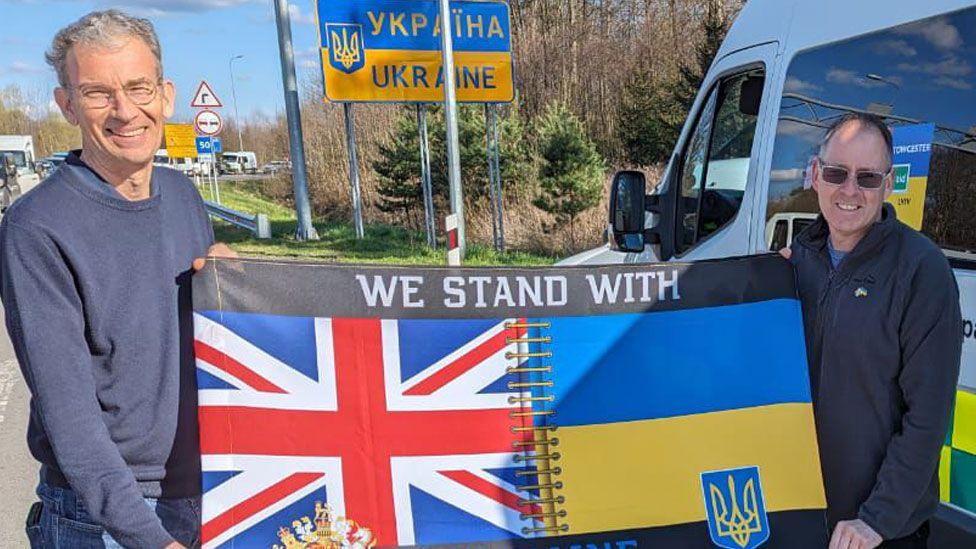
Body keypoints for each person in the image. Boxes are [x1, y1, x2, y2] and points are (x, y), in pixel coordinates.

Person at [0, 10, 231, 548]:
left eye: (137, 87)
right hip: (105, 517)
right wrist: (151, 539)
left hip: (210, 489)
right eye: (99, 93)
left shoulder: (182, 195)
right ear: (68, 106)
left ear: (165, 95)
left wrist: (233, 284)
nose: (125, 111)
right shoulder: (36, 227)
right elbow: (70, 417)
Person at [782, 112, 961, 549]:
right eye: (837, 172)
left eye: (866, 178)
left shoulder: (922, 270)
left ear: (888, 184)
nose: (849, 190)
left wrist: (875, 521)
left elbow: (928, 417)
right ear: (815, 174)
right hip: (799, 515)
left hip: (875, 534)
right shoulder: (792, 263)